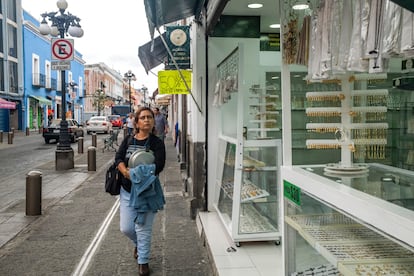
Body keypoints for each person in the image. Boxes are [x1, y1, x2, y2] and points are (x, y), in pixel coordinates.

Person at [115, 107, 166, 276]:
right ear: (136, 122)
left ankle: (143, 261)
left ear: (153, 121)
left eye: (150, 117)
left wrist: (136, 174)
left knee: (143, 227)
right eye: (143, 117)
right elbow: (118, 158)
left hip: (147, 191)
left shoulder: (157, 143)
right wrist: (125, 172)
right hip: (127, 190)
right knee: (127, 228)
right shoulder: (128, 139)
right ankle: (139, 244)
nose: (147, 120)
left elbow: (159, 165)